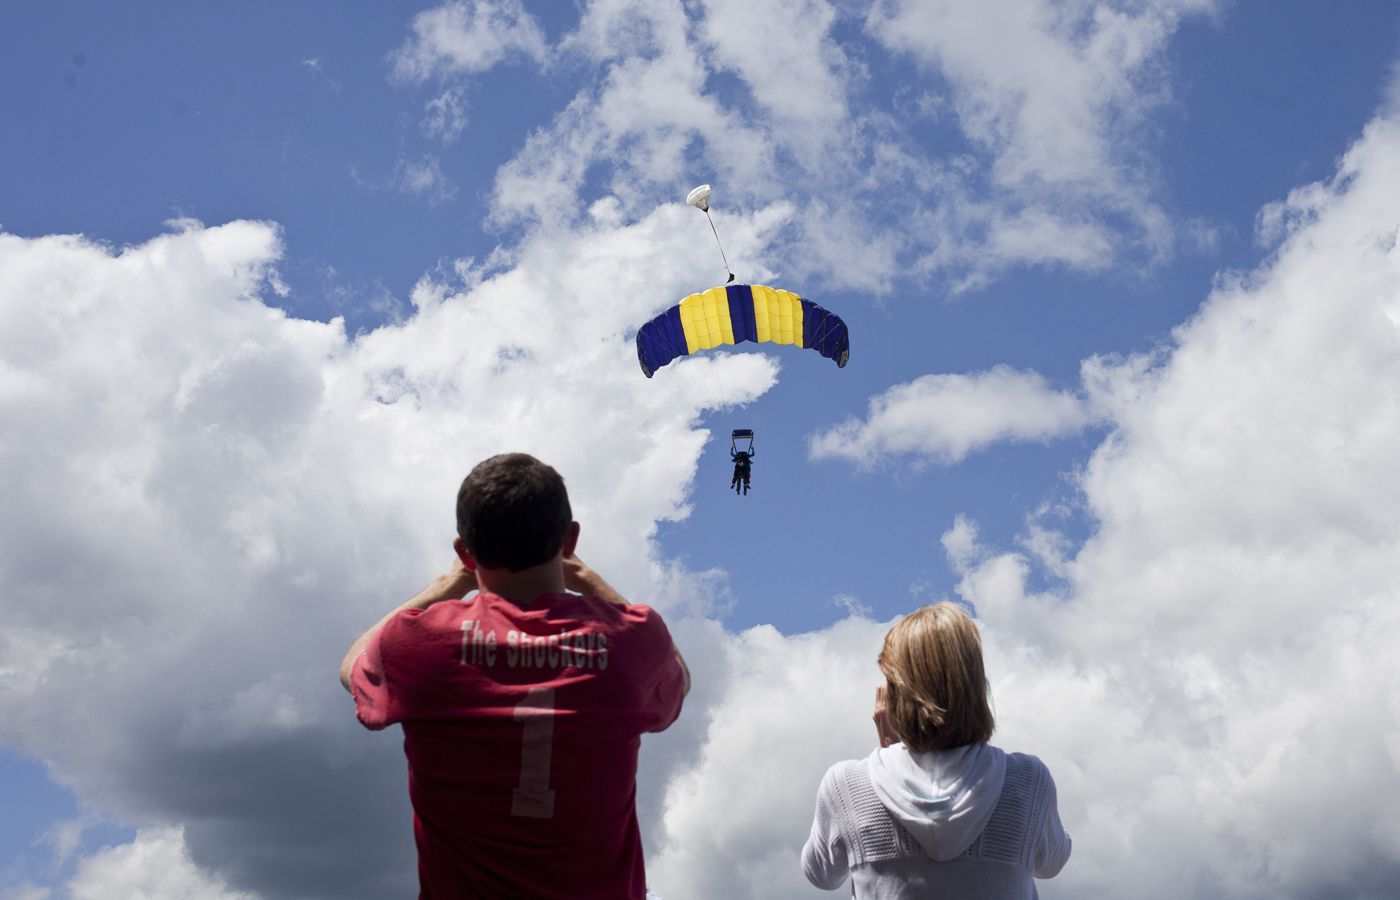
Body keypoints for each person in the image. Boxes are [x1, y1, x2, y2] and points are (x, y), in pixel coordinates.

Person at [339, 453, 690, 899]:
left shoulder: (417, 645)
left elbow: (352, 666)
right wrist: (587, 579)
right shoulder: (632, 642)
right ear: (570, 540)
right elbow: (677, 674)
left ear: (465, 551)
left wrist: (445, 586)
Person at [801, 602, 1071, 898]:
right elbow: (1051, 863)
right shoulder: (1027, 780)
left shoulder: (846, 785)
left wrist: (890, 753)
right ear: (975, 685)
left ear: (896, 693)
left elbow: (821, 874)